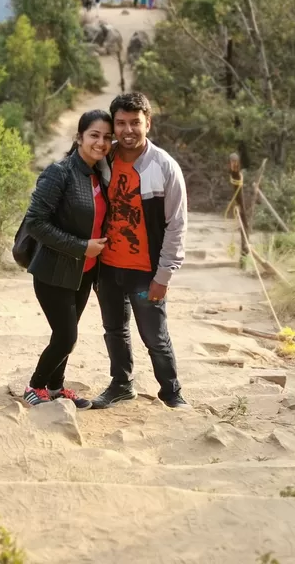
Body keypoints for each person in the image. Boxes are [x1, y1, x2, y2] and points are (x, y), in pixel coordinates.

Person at [91, 92, 190, 410]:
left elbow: (177, 225)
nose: (128, 130)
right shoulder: (103, 160)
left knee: (155, 337)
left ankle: (171, 392)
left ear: (148, 123)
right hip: (107, 267)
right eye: (121, 123)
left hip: (146, 272)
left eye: (135, 122)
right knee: (114, 330)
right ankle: (121, 385)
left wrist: (164, 274)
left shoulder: (164, 167)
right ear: (113, 126)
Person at [21, 110, 114, 409]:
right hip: (53, 270)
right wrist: (80, 246)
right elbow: (36, 222)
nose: (100, 143)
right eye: (94, 135)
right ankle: (34, 386)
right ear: (79, 138)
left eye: (106, 137)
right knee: (66, 336)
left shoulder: (99, 175)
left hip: (83, 273)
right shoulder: (59, 173)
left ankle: (56, 387)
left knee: (66, 334)